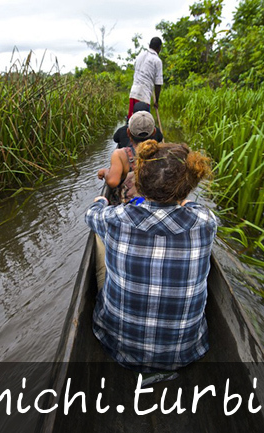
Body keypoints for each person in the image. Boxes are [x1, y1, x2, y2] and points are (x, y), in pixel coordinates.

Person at [85, 140, 217, 373]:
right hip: (185, 352)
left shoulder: (116, 218)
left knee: (99, 237)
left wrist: (101, 201)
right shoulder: (206, 223)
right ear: (188, 186)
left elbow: (91, 215)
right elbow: (193, 208)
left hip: (119, 347)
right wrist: (184, 200)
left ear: (139, 182)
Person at [97, 111, 158, 203]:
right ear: (154, 132)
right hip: (153, 204)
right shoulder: (162, 152)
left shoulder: (120, 154)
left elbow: (113, 182)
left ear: (128, 132)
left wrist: (105, 172)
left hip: (129, 207)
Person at [128, 37, 163, 119]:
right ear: (159, 48)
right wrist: (156, 101)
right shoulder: (157, 60)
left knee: (131, 121)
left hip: (133, 93)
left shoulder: (140, 56)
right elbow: (158, 84)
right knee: (144, 124)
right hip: (143, 96)